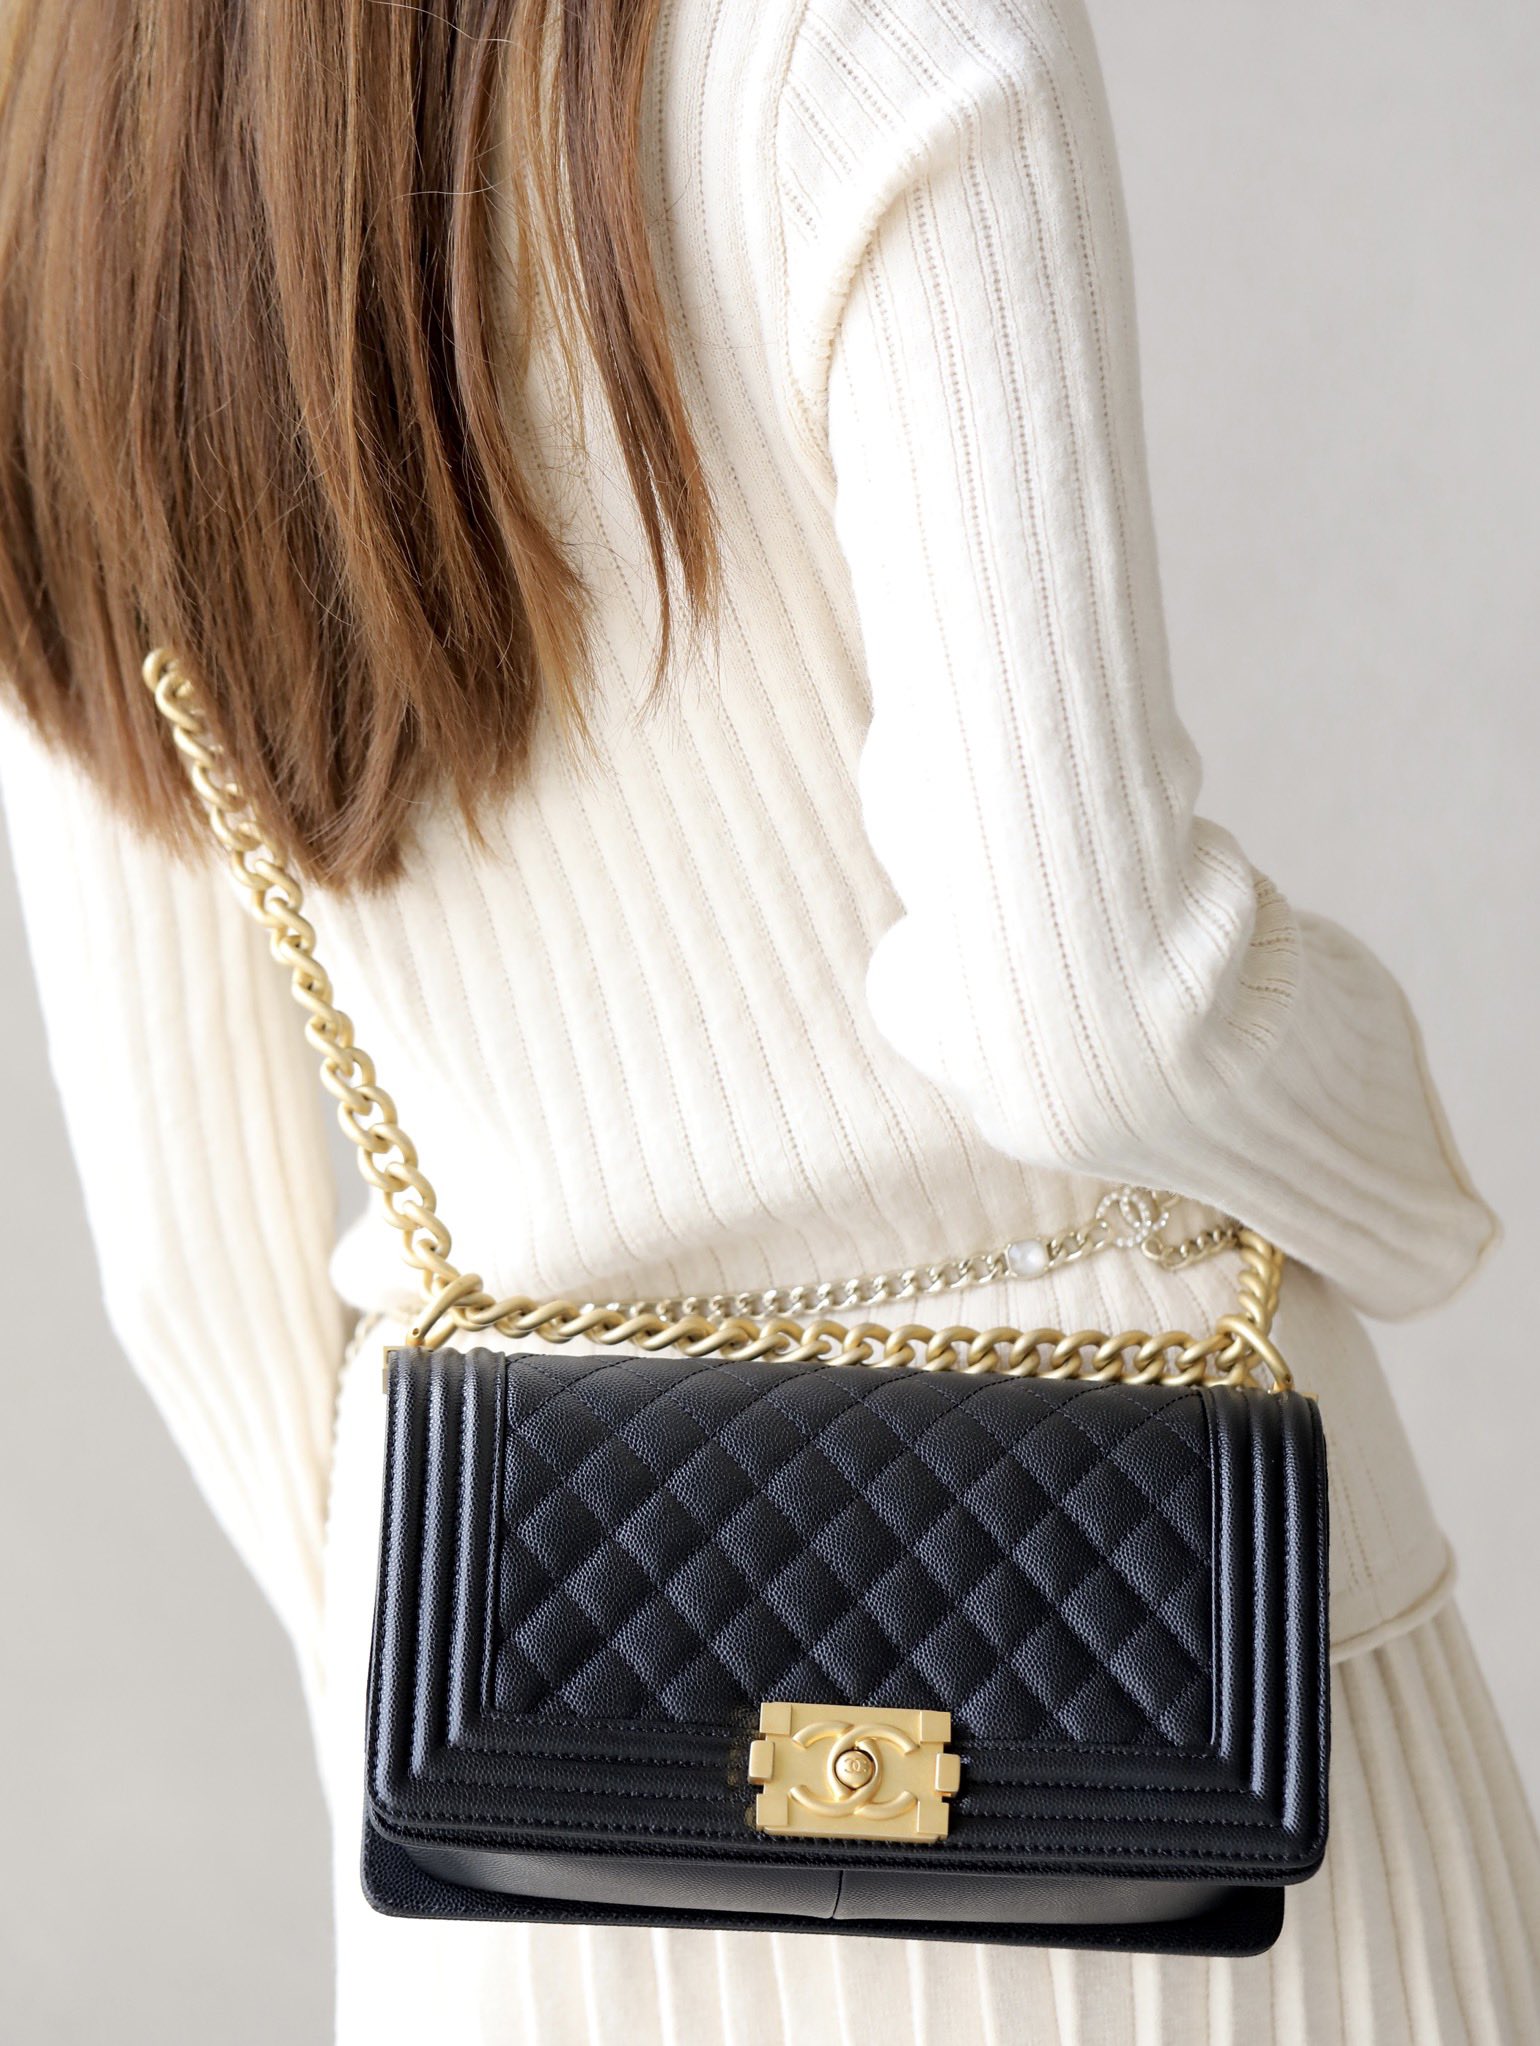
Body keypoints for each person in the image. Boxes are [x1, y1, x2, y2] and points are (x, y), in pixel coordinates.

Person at [1, 0, 1535, 2039]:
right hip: (1156, 1687)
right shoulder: (862, 39)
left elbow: (197, 1270)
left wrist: (493, 1736)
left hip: (526, 1830)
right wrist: (1418, 1197)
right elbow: (1088, 1010)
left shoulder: (72, 147)